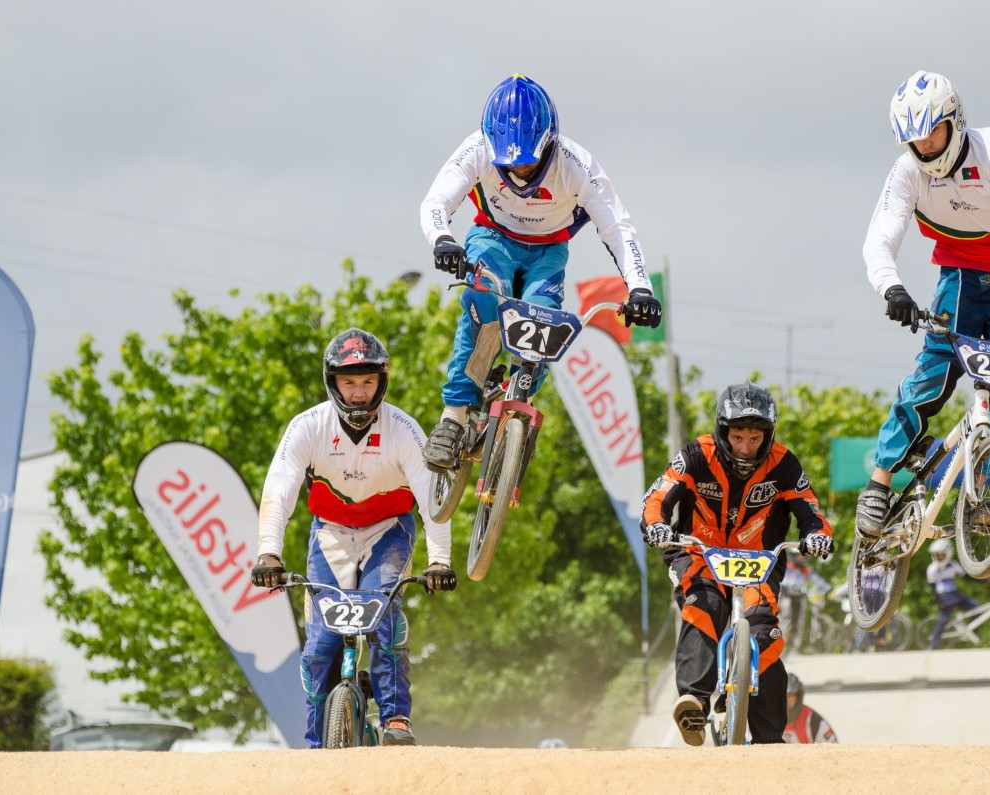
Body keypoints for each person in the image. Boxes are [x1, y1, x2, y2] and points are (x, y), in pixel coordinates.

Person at [855, 71, 990, 539]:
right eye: (914, 139)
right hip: (957, 282)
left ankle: (985, 485)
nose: (926, 147)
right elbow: (879, 239)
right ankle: (879, 481)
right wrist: (892, 290)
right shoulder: (907, 173)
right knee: (930, 378)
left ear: (955, 120)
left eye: (932, 132)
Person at [419, 73, 662, 471]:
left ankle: (519, 400)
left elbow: (617, 227)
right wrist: (443, 240)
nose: (519, 170)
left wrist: (640, 289)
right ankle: (454, 415)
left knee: (543, 318)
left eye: (530, 160)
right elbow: (436, 201)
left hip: (548, 250)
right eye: (508, 163)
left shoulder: (577, 165)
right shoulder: (477, 149)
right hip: (492, 237)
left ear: (549, 140)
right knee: (480, 302)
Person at [250, 328, 457, 748]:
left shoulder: (403, 429)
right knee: (320, 645)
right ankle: (315, 743)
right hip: (330, 534)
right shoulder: (308, 426)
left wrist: (440, 561)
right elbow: (280, 487)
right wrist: (268, 553)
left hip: (389, 530)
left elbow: (435, 497)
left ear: (381, 381)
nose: (359, 392)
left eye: (368, 381)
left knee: (383, 617)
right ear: (333, 383)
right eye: (349, 381)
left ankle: (396, 719)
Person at [640, 383, 834, 746]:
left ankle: (769, 738)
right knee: (705, 602)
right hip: (697, 551)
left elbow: (811, 510)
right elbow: (658, 497)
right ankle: (694, 702)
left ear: (768, 436)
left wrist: (817, 535)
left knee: (764, 630)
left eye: (755, 438)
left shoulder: (784, 463)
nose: (746, 448)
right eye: (738, 436)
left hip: (757, 559)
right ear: (722, 431)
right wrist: (656, 525)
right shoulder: (696, 454)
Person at [926, 539, 975, 649]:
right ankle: (933, 644)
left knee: (975, 608)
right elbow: (932, 588)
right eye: (937, 555)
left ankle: (974, 631)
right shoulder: (932, 569)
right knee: (943, 619)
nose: (939, 557)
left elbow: (965, 577)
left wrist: (983, 577)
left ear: (948, 553)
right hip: (943, 596)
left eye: (941, 555)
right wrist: (939, 602)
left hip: (954, 593)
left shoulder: (953, 565)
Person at [782, 674, 838, 744]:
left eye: (790, 695)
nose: (786, 699)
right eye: (782, 695)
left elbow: (834, 746)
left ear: (798, 696)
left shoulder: (812, 720)